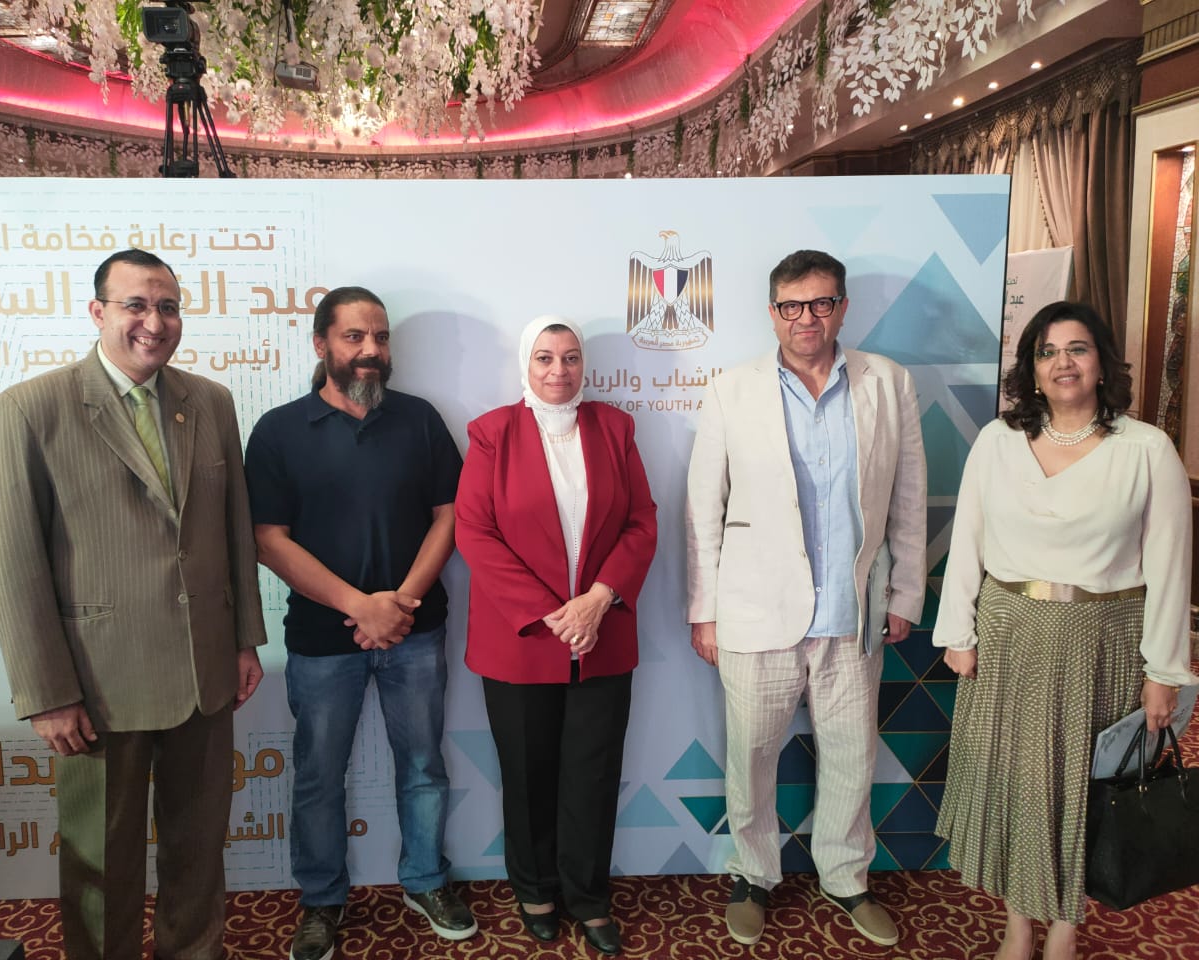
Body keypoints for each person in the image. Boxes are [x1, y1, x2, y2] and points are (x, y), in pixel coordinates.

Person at [0, 248, 267, 960]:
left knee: (199, 851)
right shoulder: (29, 409)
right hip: (95, 685)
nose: (154, 322)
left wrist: (243, 640)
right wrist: (47, 693)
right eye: (136, 305)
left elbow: (233, 530)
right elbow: (14, 564)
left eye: (168, 307)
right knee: (99, 866)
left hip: (204, 672)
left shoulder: (211, 402)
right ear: (97, 312)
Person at [933, 300, 1197, 960]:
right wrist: (957, 633)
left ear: (1102, 362)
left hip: (1101, 641)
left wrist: (1165, 671)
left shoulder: (1146, 449)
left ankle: (1065, 928)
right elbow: (967, 540)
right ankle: (1019, 924)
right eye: (1047, 352)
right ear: (1032, 368)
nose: (1063, 363)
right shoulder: (997, 441)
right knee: (1018, 788)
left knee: (1079, 793)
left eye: (1077, 348)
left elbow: (1170, 569)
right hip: (1008, 634)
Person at [685, 249, 926, 948]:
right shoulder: (731, 390)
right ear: (773, 313)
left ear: (842, 308)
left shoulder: (889, 383)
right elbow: (703, 510)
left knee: (852, 756)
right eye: (792, 305)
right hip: (754, 612)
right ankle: (754, 874)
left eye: (821, 303)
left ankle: (846, 877)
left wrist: (905, 591)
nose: (806, 318)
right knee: (751, 756)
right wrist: (705, 611)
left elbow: (909, 498)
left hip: (853, 614)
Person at [244, 286, 476, 960]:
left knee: (423, 765)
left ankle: (425, 880)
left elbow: (451, 515)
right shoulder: (279, 430)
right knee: (319, 775)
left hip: (415, 631)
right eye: (354, 337)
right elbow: (268, 539)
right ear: (321, 344)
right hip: (323, 640)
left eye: (380, 337)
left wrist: (398, 604)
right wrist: (359, 606)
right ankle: (321, 899)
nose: (371, 350)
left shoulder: (420, 420)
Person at [454, 316, 657, 957]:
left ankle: (589, 897)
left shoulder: (614, 428)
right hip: (521, 642)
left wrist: (598, 599)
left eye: (570, 358)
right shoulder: (492, 433)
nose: (558, 371)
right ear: (527, 363)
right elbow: (474, 532)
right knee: (527, 774)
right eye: (545, 358)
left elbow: (641, 521)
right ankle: (536, 890)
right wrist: (552, 614)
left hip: (602, 634)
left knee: (593, 776)